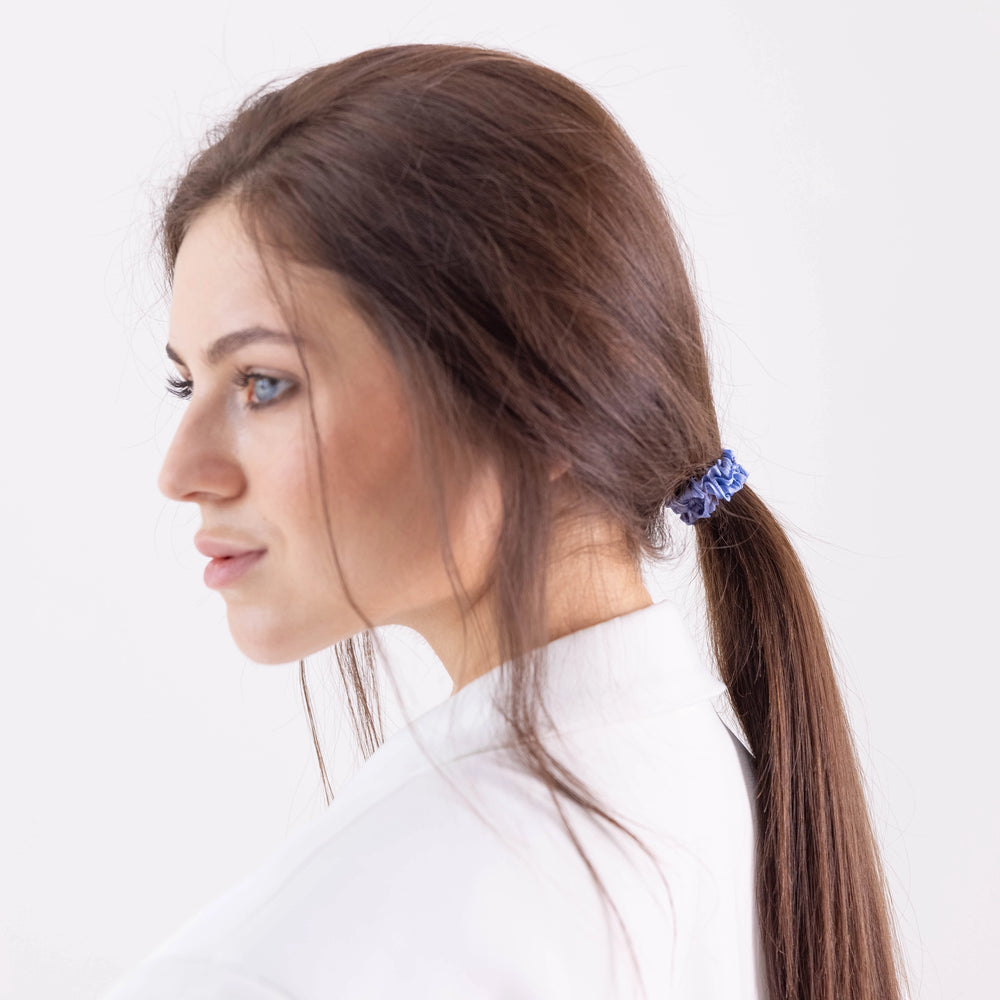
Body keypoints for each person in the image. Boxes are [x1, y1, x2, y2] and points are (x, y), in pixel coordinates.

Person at [102, 43, 910, 1000]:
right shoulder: (722, 795)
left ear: (542, 393)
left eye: (264, 384)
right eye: (185, 382)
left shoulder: (283, 963)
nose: (180, 471)